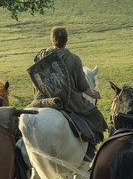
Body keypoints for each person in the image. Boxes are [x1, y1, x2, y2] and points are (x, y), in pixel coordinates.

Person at [31, 26, 107, 158]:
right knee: (96, 116)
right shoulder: (74, 59)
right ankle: (89, 152)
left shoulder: (41, 56)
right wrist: (93, 94)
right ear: (66, 40)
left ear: (52, 39)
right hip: (68, 101)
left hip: (43, 99)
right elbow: (82, 86)